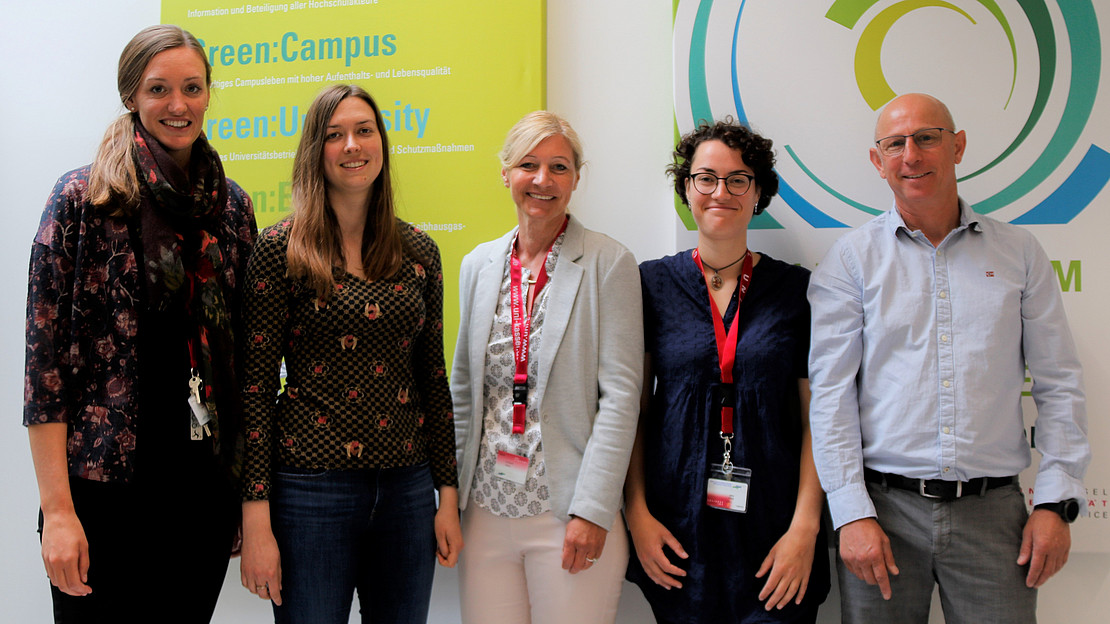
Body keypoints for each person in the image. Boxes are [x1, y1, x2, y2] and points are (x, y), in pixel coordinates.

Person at [807, 93, 1090, 623]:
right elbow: (831, 397)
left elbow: (1059, 383)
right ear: (878, 161)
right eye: (895, 143)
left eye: (926, 138)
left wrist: (1055, 502)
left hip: (995, 514)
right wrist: (849, 514)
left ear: (957, 146)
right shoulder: (850, 260)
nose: (911, 155)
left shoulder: (1019, 253)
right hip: (881, 513)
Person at [24, 24, 257, 623]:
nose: (178, 106)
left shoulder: (230, 207)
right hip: (102, 496)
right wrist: (58, 513)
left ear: (209, 94)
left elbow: (243, 361)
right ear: (131, 95)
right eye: (159, 89)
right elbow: (43, 371)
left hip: (199, 495)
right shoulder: (84, 198)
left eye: (192, 88)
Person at [236, 83, 461, 624]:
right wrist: (256, 516)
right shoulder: (280, 250)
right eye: (334, 135)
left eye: (364, 131)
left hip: (407, 491)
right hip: (310, 491)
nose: (352, 145)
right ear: (317, 151)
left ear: (381, 143)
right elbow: (256, 390)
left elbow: (433, 378)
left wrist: (446, 494)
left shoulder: (420, 252)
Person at [625, 119, 830, 623]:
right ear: (686, 189)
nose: (722, 191)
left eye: (739, 179)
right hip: (677, 534)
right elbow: (633, 410)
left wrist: (805, 528)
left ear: (758, 192)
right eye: (706, 178)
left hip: (775, 536)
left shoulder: (797, 290)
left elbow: (818, 420)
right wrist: (637, 514)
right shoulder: (650, 284)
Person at [451, 111, 644, 624]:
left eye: (559, 167)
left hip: (566, 515)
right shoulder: (478, 265)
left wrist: (593, 510)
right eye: (528, 165)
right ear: (505, 173)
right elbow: (464, 392)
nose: (542, 180)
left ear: (576, 178)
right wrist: (448, 499)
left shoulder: (610, 263)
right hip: (484, 510)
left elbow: (622, 398)